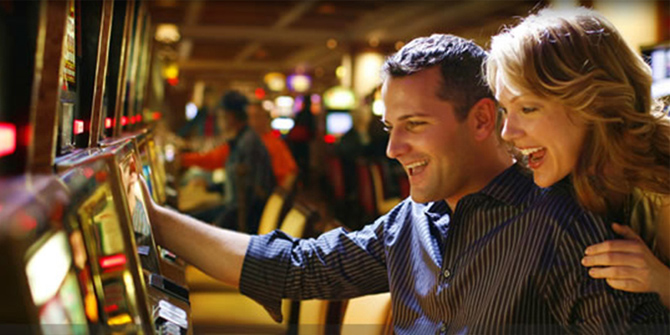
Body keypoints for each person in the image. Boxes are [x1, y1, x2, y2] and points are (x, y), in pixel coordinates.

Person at [142, 34, 668, 333]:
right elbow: (293, 269)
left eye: (414, 125)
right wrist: (151, 219)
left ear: (482, 121)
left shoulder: (571, 229)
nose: (392, 151)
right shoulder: (415, 218)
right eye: (391, 129)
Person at [486, 7, 670, 308]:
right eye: (505, 110)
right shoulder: (553, 183)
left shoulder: (661, 187)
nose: (507, 131)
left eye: (528, 108)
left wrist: (662, 282)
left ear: (593, 103)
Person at [186, 90, 276, 234]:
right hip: (235, 212)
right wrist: (209, 187)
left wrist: (218, 225)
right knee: (185, 218)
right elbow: (239, 185)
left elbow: (247, 200)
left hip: (244, 224)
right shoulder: (242, 140)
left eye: (221, 116)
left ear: (231, 117)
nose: (219, 120)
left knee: (185, 223)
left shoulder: (248, 144)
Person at [247, 102, 298, 189]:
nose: (252, 121)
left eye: (256, 117)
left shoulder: (273, 142)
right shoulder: (246, 141)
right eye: (249, 117)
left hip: (269, 193)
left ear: (265, 119)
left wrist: (279, 196)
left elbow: (291, 173)